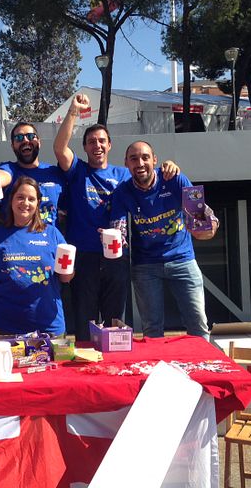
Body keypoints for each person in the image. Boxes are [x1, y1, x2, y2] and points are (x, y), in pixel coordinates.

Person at [53, 93, 179, 340]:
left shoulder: (124, 174)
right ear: (85, 147)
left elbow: (150, 180)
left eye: (101, 141)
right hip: (84, 256)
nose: (97, 145)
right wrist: (74, 111)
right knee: (85, 323)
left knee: (114, 323)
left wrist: (170, 165)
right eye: (91, 141)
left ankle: (112, 370)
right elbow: (59, 148)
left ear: (109, 145)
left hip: (116, 257)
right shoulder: (78, 171)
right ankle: (85, 371)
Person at [109, 141, 218, 341]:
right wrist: (114, 240)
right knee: (152, 330)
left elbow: (202, 218)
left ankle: (205, 370)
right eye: (133, 159)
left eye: (145, 157)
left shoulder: (176, 179)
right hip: (145, 265)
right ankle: (157, 371)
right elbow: (119, 229)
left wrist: (208, 227)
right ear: (126, 163)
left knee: (198, 324)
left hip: (182, 258)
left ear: (155, 160)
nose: (140, 163)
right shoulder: (122, 192)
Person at [0, 176, 73, 336]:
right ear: (11, 200)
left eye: (31, 199)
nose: (25, 203)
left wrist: (68, 273)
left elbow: (65, 278)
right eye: (20, 197)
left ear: (38, 204)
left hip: (47, 328)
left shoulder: (52, 234)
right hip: (3, 328)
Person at [0, 122, 70, 226]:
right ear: (13, 146)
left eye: (31, 136)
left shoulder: (55, 173)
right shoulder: (9, 169)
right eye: (19, 138)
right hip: (16, 239)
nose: (25, 140)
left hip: (50, 239)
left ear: (39, 142)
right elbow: (1, 176)